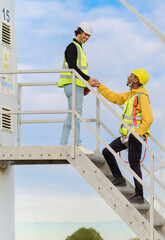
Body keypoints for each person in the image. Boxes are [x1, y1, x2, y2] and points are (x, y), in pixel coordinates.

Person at [89, 69, 153, 204]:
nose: (128, 77)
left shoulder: (142, 97)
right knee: (107, 151)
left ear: (136, 80)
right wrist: (100, 86)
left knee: (134, 166)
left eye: (131, 75)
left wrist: (137, 134)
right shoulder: (131, 94)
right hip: (126, 136)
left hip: (135, 136)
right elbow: (115, 98)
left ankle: (139, 195)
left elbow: (149, 118)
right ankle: (119, 178)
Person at [58, 21, 97, 154]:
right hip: (72, 86)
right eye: (86, 34)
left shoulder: (79, 48)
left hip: (77, 86)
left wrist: (86, 85)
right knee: (76, 115)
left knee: (72, 115)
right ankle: (77, 144)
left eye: (89, 36)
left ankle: (63, 145)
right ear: (79, 32)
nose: (87, 38)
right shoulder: (72, 47)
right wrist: (88, 79)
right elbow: (72, 67)